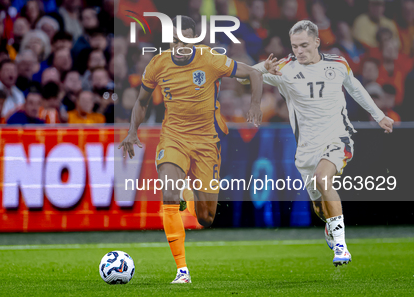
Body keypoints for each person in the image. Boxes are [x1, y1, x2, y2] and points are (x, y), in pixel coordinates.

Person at [118, 16, 263, 284]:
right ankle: (182, 271)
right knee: (169, 196)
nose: (179, 47)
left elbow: (254, 72)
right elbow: (141, 102)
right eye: (174, 41)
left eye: (185, 41)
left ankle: (191, 194)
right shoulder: (157, 64)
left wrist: (255, 104)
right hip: (173, 138)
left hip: (207, 142)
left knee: (206, 218)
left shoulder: (210, 59)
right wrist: (131, 131)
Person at [238, 20, 394, 266]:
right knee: (320, 209)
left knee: (324, 179)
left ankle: (341, 247)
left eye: (304, 45)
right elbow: (243, 78)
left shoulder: (338, 64)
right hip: (306, 150)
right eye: (294, 46)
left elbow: (356, 89)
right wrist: (262, 67)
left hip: (337, 138)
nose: (299, 51)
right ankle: (330, 227)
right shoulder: (284, 68)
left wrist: (380, 116)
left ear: (317, 42)